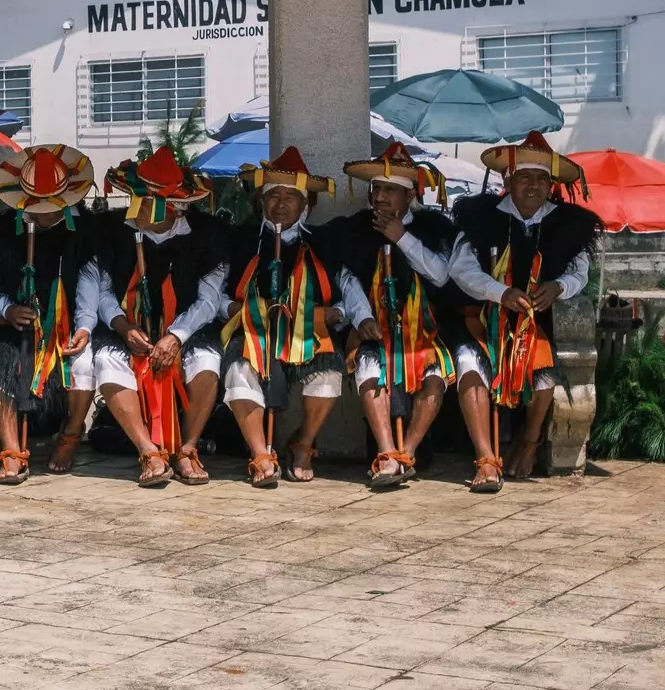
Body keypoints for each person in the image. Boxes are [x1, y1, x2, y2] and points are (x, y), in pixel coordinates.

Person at [448, 132, 602, 492]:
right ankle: (486, 458)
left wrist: (559, 287)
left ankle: (529, 443)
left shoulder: (570, 224)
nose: (533, 186)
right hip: (482, 322)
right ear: (508, 180)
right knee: (470, 366)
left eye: (542, 179)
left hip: (535, 326)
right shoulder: (479, 217)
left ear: (551, 185)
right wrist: (500, 293)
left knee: (545, 376)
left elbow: (580, 271)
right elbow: (462, 269)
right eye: (524, 177)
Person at [66, 147, 228, 485]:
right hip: (130, 326)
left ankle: (187, 448)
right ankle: (148, 451)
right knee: (106, 360)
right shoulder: (112, 231)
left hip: (188, 329)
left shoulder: (208, 236)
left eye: (141, 202)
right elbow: (106, 290)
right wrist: (124, 327)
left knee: (207, 363)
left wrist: (175, 336)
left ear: (169, 208)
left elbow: (208, 302)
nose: (132, 209)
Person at [211, 147, 368, 488]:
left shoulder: (325, 242)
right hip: (254, 333)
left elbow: (349, 287)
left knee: (328, 375)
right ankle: (260, 453)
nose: (281, 205)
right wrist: (235, 310)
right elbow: (215, 292)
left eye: (291, 197)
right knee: (239, 371)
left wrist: (336, 314)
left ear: (306, 204)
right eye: (274, 196)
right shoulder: (240, 240)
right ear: (262, 202)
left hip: (309, 334)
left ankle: (304, 443)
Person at [338, 144, 459, 491]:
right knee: (369, 370)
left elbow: (439, 275)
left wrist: (401, 238)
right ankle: (386, 452)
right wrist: (362, 317)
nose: (379, 196)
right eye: (376, 188)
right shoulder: (355, 230)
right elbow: (348, 277)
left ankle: (407, 452)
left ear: (410, 194)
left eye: (389, 189)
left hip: (423, 333)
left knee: (436, 375)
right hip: (376, 332)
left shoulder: (431, 228)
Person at [0, 145, 94, 487]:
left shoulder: (83, 233)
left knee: (84, 365)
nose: (41, 214)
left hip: (64, 327)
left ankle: (70, 435)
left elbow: (90, 283)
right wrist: (7, 309)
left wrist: (84, 327)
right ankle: (12, 451)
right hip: (15, 325)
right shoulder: (2, 231)